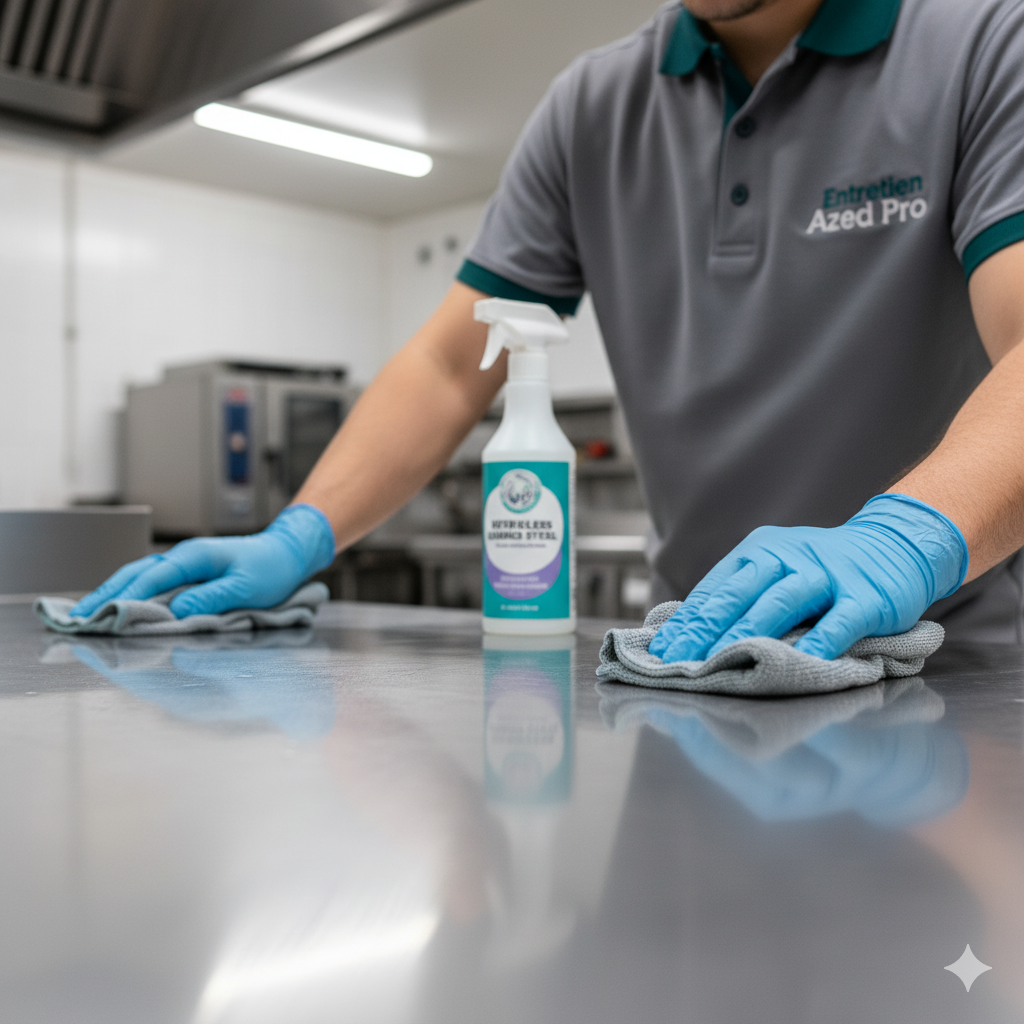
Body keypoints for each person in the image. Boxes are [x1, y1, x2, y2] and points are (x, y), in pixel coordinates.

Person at [73, 0, 1024, 661]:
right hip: (690, 664)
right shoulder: (592, 108)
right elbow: (453, 366)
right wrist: (300, 535)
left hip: (945, 670)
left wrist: (905, 540)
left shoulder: (980, 42)